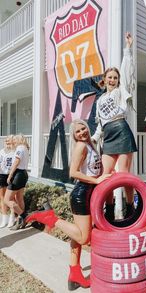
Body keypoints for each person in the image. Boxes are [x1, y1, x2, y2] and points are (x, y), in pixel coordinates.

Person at [26, 119, 110, 290]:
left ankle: (74, 274)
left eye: (83, 129)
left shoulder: (91, 144)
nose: (81, 133)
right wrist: (97, 179)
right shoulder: (80, 146)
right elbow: (73, 173)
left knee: (77, 236)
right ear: (74, 135)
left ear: (87, 128)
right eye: (77, 132)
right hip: (81, 194)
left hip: (88, 193)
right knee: (84, 237)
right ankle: (50, 218)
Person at [91, 32, 137, 220]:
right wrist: (91, 139)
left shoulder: (121, 90)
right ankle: (109, 211)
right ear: (104, 79)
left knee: (124, 174)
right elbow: (100, 126)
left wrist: (127, 49)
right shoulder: (100, 99)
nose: (112, 80)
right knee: (105, 175)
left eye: (115, 78)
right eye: (109, 77)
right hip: (108, 136)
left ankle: (129, 209)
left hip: (122, 130)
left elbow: (126, 71)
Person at [4, 134, 29, 230]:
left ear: (19, 140)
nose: (13, 142)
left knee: (7, 200)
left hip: (18, 174)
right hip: (23, 174)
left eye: (15, 140)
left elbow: (16, 162)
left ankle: (23, 216)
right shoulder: (25, 148)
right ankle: (21, 221)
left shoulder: (19, 148)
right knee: (19, 198)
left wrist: (10, 174)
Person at [0, 135, 15, 228]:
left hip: (11, 175)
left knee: (11, 198)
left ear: (13, 142)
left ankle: (12, 218)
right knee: (2, 197)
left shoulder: (15, 151)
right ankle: (4, 218)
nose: (7, 142)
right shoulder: (1, 151)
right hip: (1, 175)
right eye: (6, 141)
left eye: (9, 141)